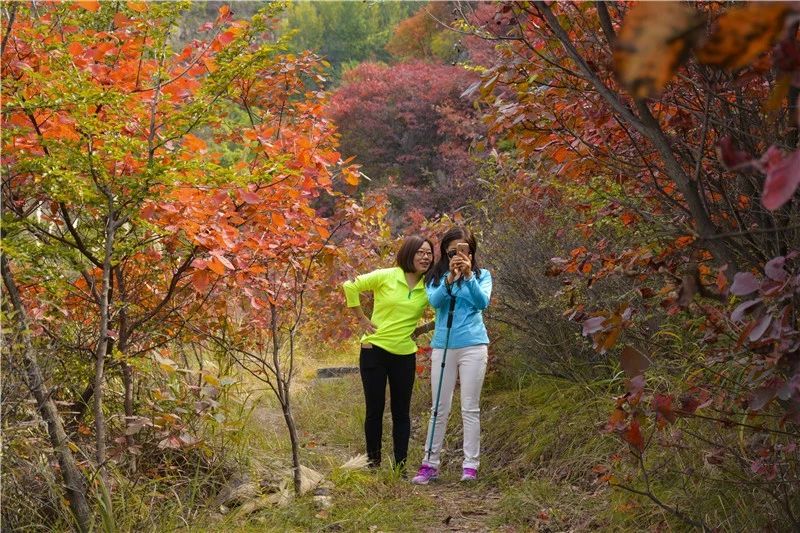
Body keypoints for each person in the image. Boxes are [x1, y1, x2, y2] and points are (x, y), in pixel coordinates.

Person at [342, 235, 434, 472]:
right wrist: (361, 319)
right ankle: (373, 464)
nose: (425, 257)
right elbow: (350, 284)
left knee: (402, 412)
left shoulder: (429, 286)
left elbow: (446, 303)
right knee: (375, 409)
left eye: (429, 253)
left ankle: (400, 468)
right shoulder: (387, 275)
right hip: (374, 351)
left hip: (404, 354)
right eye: (420, 252)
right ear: (408, 254)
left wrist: (421, 330)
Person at [411, 226, 492, 484]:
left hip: (473, 345)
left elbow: (482, 303)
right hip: (443, 345)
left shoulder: (482, 275)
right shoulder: (435, 277)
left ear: (471, 250)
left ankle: (471, 465)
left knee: (470, 407)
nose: (458, 253)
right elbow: (435, 302)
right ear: (445, 251)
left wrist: (467, 277)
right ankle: (430, 463)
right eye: (453, 249)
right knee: (439, 407)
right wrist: (449, 279)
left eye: (463, 249)